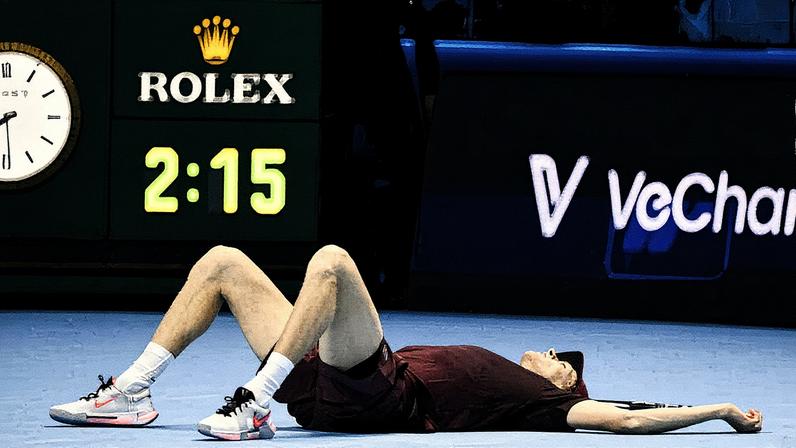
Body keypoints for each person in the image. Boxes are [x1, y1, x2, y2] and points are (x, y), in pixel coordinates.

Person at [49, 245, 763, 440]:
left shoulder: (547, 406)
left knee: (332, 261)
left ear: (562, 385)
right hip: (328, 382)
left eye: (557, 361)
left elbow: (630, 418)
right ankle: (132, 389)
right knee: (224, 263)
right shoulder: (518, 376)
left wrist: (722, 409)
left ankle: (251, 402)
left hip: (377, 395)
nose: (545, 353)